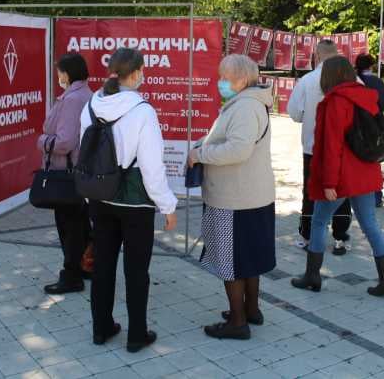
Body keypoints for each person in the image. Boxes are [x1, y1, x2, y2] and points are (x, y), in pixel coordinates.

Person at [81, 48, 178, 353]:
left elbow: (86, 153)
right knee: (137, 270)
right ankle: (137, 334)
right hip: (135, 201)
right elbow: (151, 166)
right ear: (135, 74)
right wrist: (168, 205)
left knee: (103, 265)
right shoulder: (142, 110)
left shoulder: (92, 104)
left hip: (99, 195)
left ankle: (101, 328)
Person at [291, 56, 384, 298]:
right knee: (370, 224)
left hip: (341, 176)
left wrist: (328, 182)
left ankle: (312, 275)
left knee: (319, 222)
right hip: (367, 172)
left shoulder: (334, 103)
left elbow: (331, 146)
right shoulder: (368, 97)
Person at [188, 54, 276, 340]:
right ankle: (250, 309)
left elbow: (238, 150)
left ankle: (238, 322)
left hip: (235, 199)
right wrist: (206, 142)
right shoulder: (246, 103)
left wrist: (200, 154)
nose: (220, 83)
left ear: (241, 79)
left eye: (224, 77)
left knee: (231, 262)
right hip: (249, 196)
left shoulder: (245, 107)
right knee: (247, 259)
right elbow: (231, 140)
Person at [288, 39, 352, 255]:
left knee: (311, 192)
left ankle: (307, 235)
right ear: (337, 54)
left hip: (313, 146)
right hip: (345, 147)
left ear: (317, 55)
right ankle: (340, 238)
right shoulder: (353, 79)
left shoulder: (307, 80)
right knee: (343, 191)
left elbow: (295, 113)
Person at [37, 53, 92, 294]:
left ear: (67, 74)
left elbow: (65, 142)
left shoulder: (72, 100)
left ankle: (71, 276)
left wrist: (42, 140)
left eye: (59, 71)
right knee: (79, 224)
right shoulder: (87, 94)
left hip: (66, 173)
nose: (58, 76)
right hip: (80, 171)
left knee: (69, 226)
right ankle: (86, 267)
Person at [355, 53, 384, 207]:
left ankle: (356, 194)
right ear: (371, 65)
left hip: (355, 125)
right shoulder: (377, 81)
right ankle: (376, 196)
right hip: (374, 125)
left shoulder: (353, 80)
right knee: (375, 160)